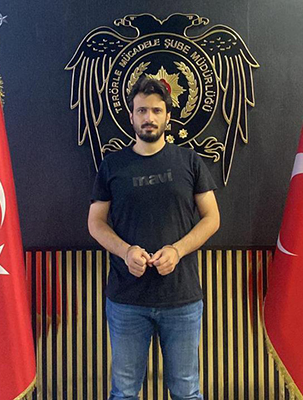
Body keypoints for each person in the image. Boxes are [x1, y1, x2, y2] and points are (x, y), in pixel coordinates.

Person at [87, 76, 220, 400]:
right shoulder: (112, 165)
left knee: (187, 391)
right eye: (142, 110)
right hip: (126, 300)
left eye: (156, 111)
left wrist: (177, 250)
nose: (149, 117)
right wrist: (125, 251)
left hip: (182, 299)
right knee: (124, 393)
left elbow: (212, 218)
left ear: (168, 117)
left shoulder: (190, 161)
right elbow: (95, 222)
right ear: (131, 117)